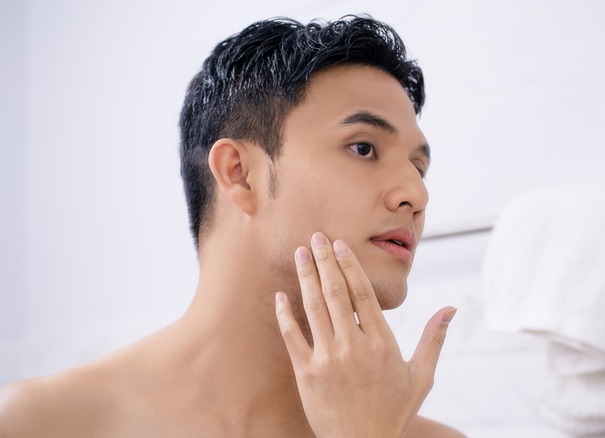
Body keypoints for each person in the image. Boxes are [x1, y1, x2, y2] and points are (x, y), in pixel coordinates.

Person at [0, 15, 464, 437]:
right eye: (363, 148)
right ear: (239, 173)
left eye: (418, 168)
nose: (416, 195)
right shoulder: (35, 424)